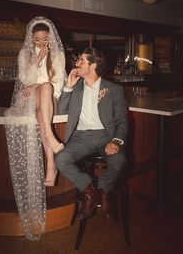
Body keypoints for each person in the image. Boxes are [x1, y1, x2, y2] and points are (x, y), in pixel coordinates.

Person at [4, 16, 66, 240]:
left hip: (50, 98)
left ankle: (50, 161)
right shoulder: (25, 54)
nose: (41, 44)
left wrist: (41, 84)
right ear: (32, 39)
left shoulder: (58, 54)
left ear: (50, 38)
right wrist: (37, 61)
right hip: (28, 96)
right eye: (37, 40)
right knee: (41, 99)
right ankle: (51, 163)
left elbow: (58, 83)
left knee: (47, 89)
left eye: (44, 40)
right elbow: (24, 79)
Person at [55, 47, 128, 220]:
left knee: (119, 160)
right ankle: (90, 193)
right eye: (78, 60)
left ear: (93, 66)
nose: (77, 63)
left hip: (106, 137)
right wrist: (68, 87)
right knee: (61, 159)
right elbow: (61, 110)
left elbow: (121, 120)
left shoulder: (113, 89)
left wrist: (116, 142)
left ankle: (104, 191)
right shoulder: (76, 87)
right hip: (81, 137)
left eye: (81, 61)